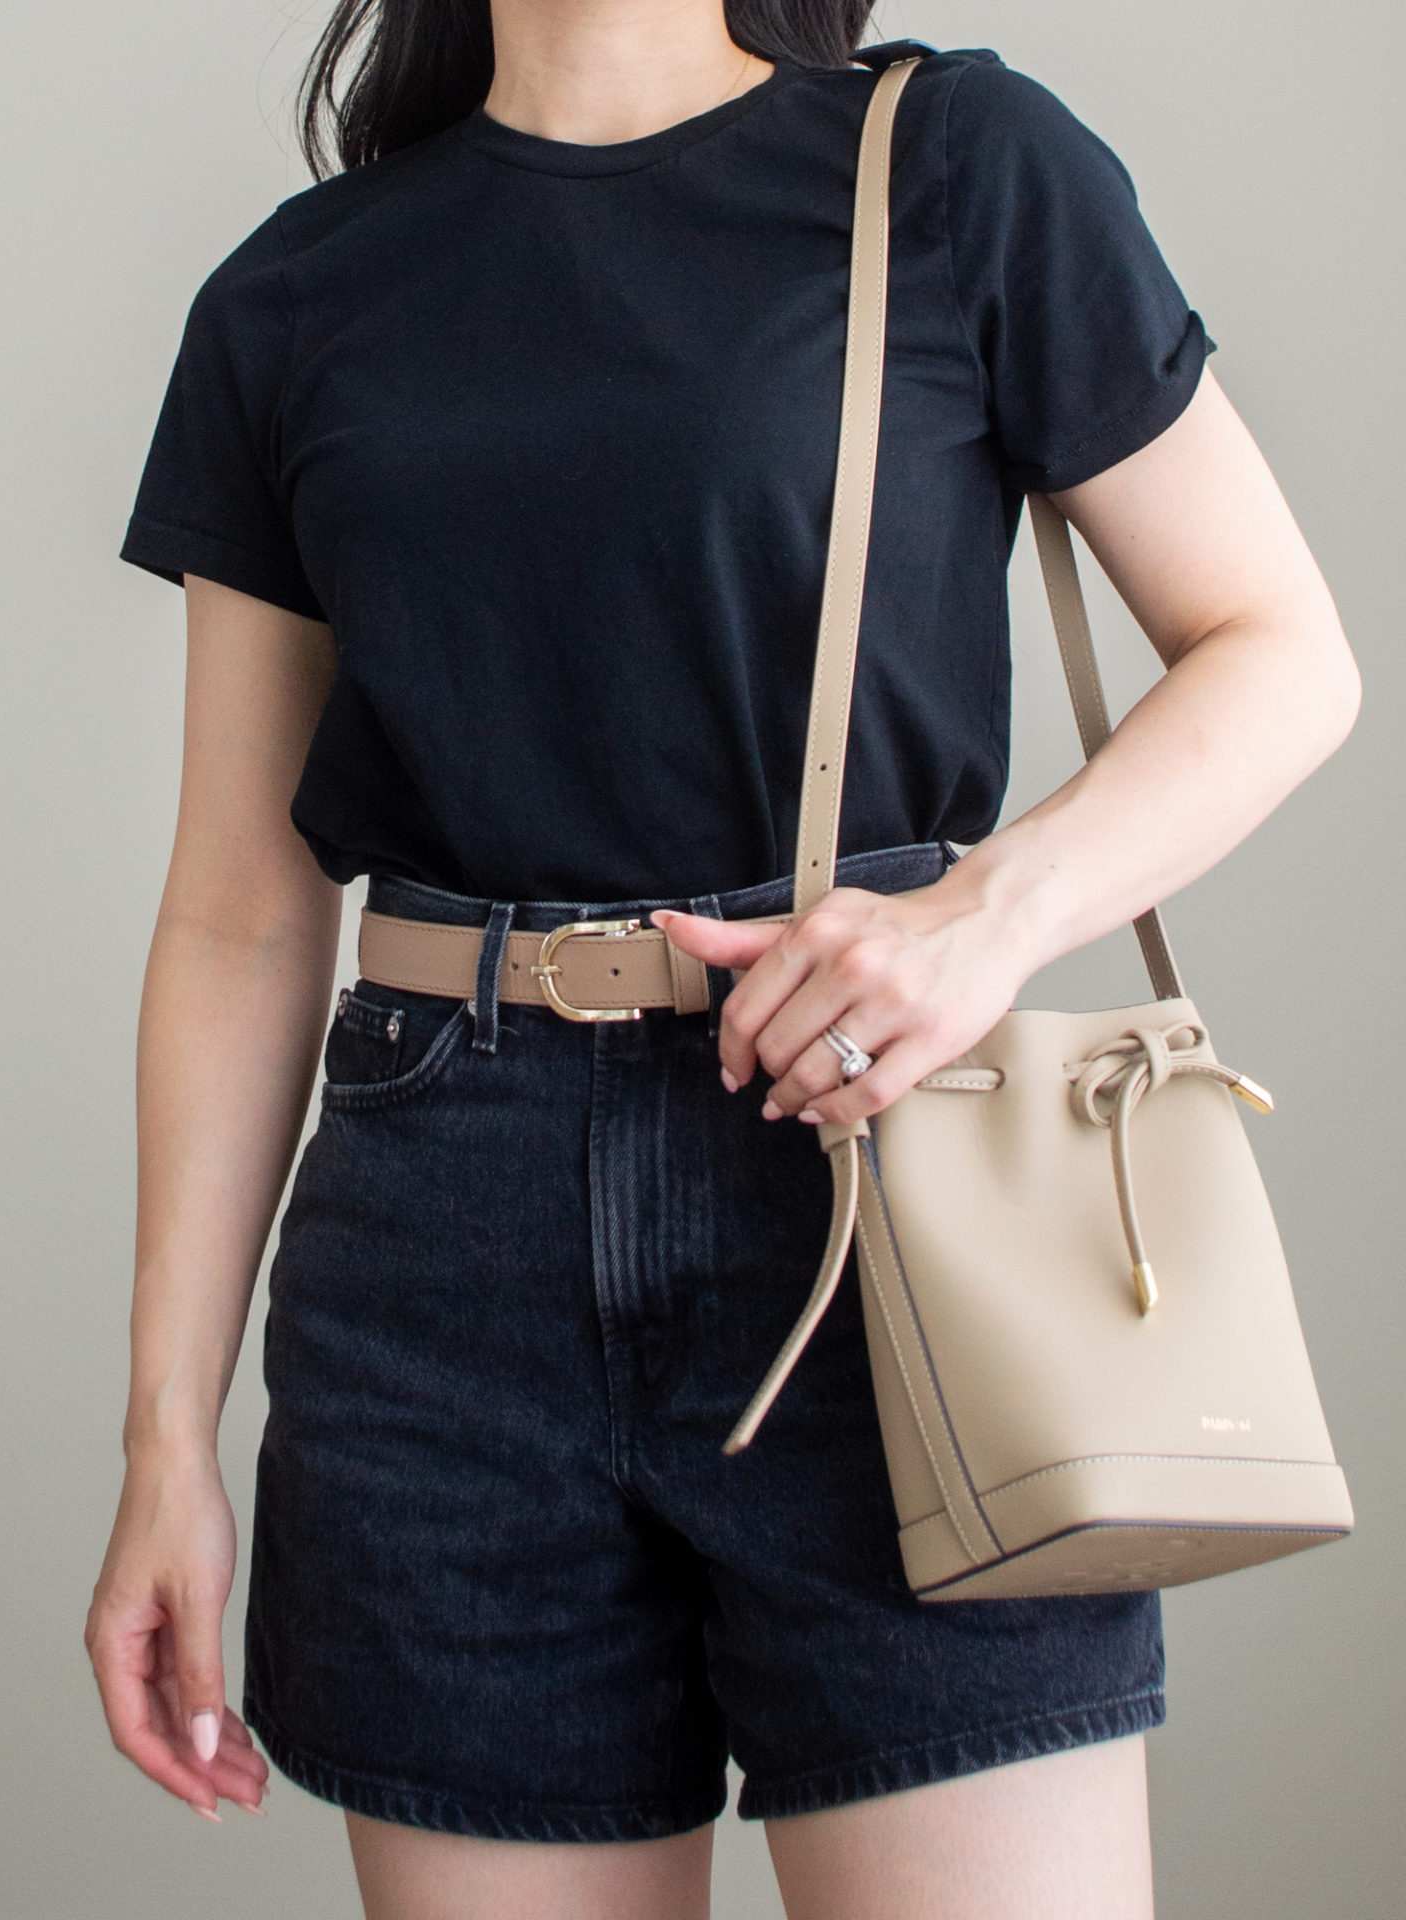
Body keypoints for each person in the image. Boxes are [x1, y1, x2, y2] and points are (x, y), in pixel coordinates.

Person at [84, 3, 1362, 1915]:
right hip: (441, 1267)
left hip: (886, 1198)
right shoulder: (298, 292)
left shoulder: (952, 165)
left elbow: (1281, 649)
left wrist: (984, 919)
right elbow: (242, 912)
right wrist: (168, 1436)